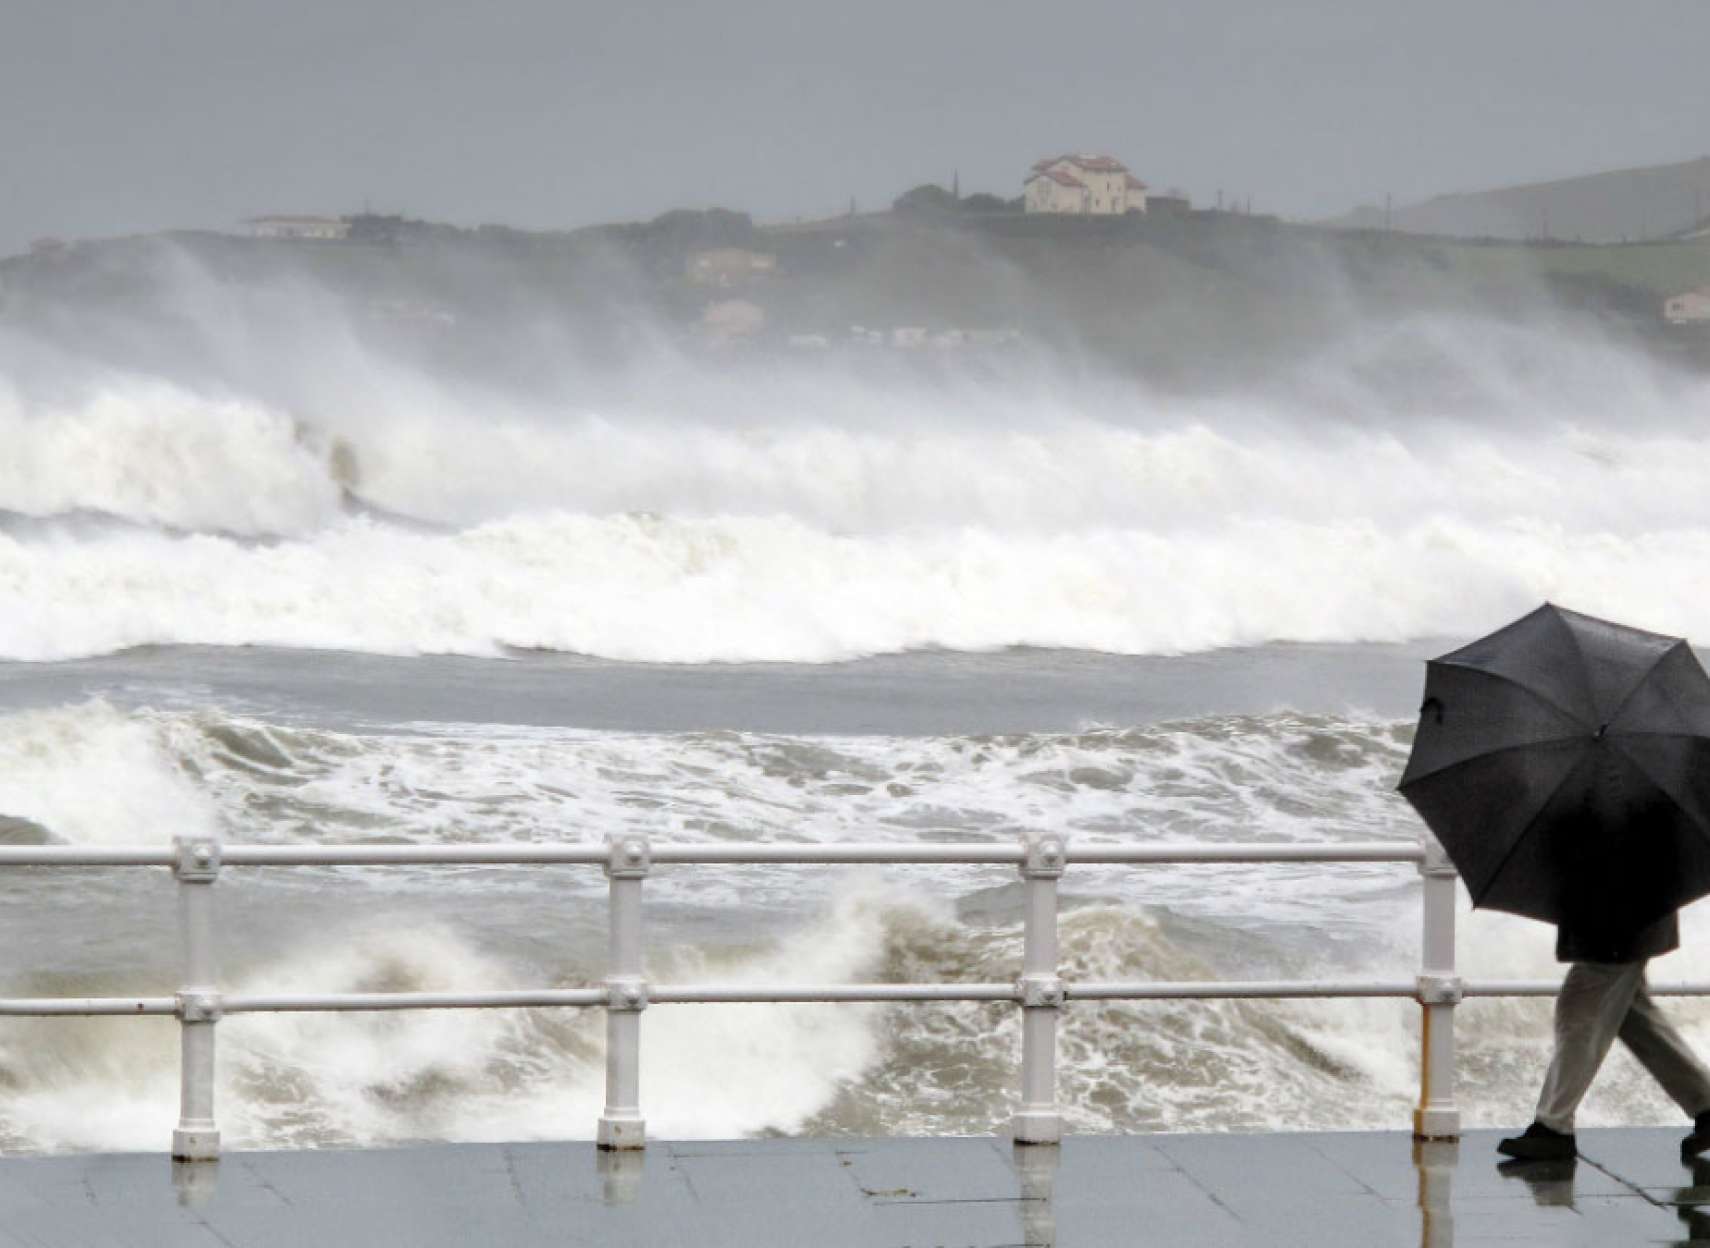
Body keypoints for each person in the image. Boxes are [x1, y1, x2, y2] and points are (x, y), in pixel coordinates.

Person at [1499, 907, 1710, 1161]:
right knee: (1634, 1017)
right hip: (1623, 918)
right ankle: (1706, 1105)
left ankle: (1552, 1128)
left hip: (1618, 920)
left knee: (1579, 1009)